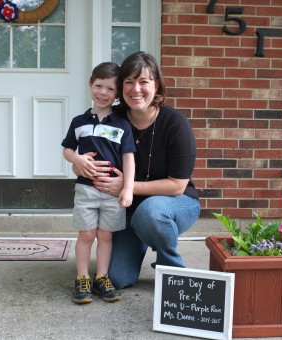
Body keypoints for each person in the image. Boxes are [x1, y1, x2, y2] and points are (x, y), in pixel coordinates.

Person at [74, 51, 200, 289]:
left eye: (143, 81)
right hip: (127, 208)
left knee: (151, 212)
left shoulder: (175, 124)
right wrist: (78, 163)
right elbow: (87, 153)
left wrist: (127, 186)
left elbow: (177, 185)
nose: (136, 89)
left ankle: (171, 270)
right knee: (117, 278)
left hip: (175, 202)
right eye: (129, 82)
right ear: (121, 87)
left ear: (157, 85)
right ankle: (143, 237)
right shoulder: (113, 119)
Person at [61, 62, 136, 304]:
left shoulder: (122, 124)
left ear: (117, 94)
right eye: (98, 86)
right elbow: (67, 149)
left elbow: (128, 158)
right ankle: (82, 277)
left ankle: (101, 277)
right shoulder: (79, 121)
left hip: (112, 192)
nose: (103, 93)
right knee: (86, 234)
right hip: (86, 188)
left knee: (105, 235)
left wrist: (128, 188)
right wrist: (77, 158)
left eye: (110, 89)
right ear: (90, 85)